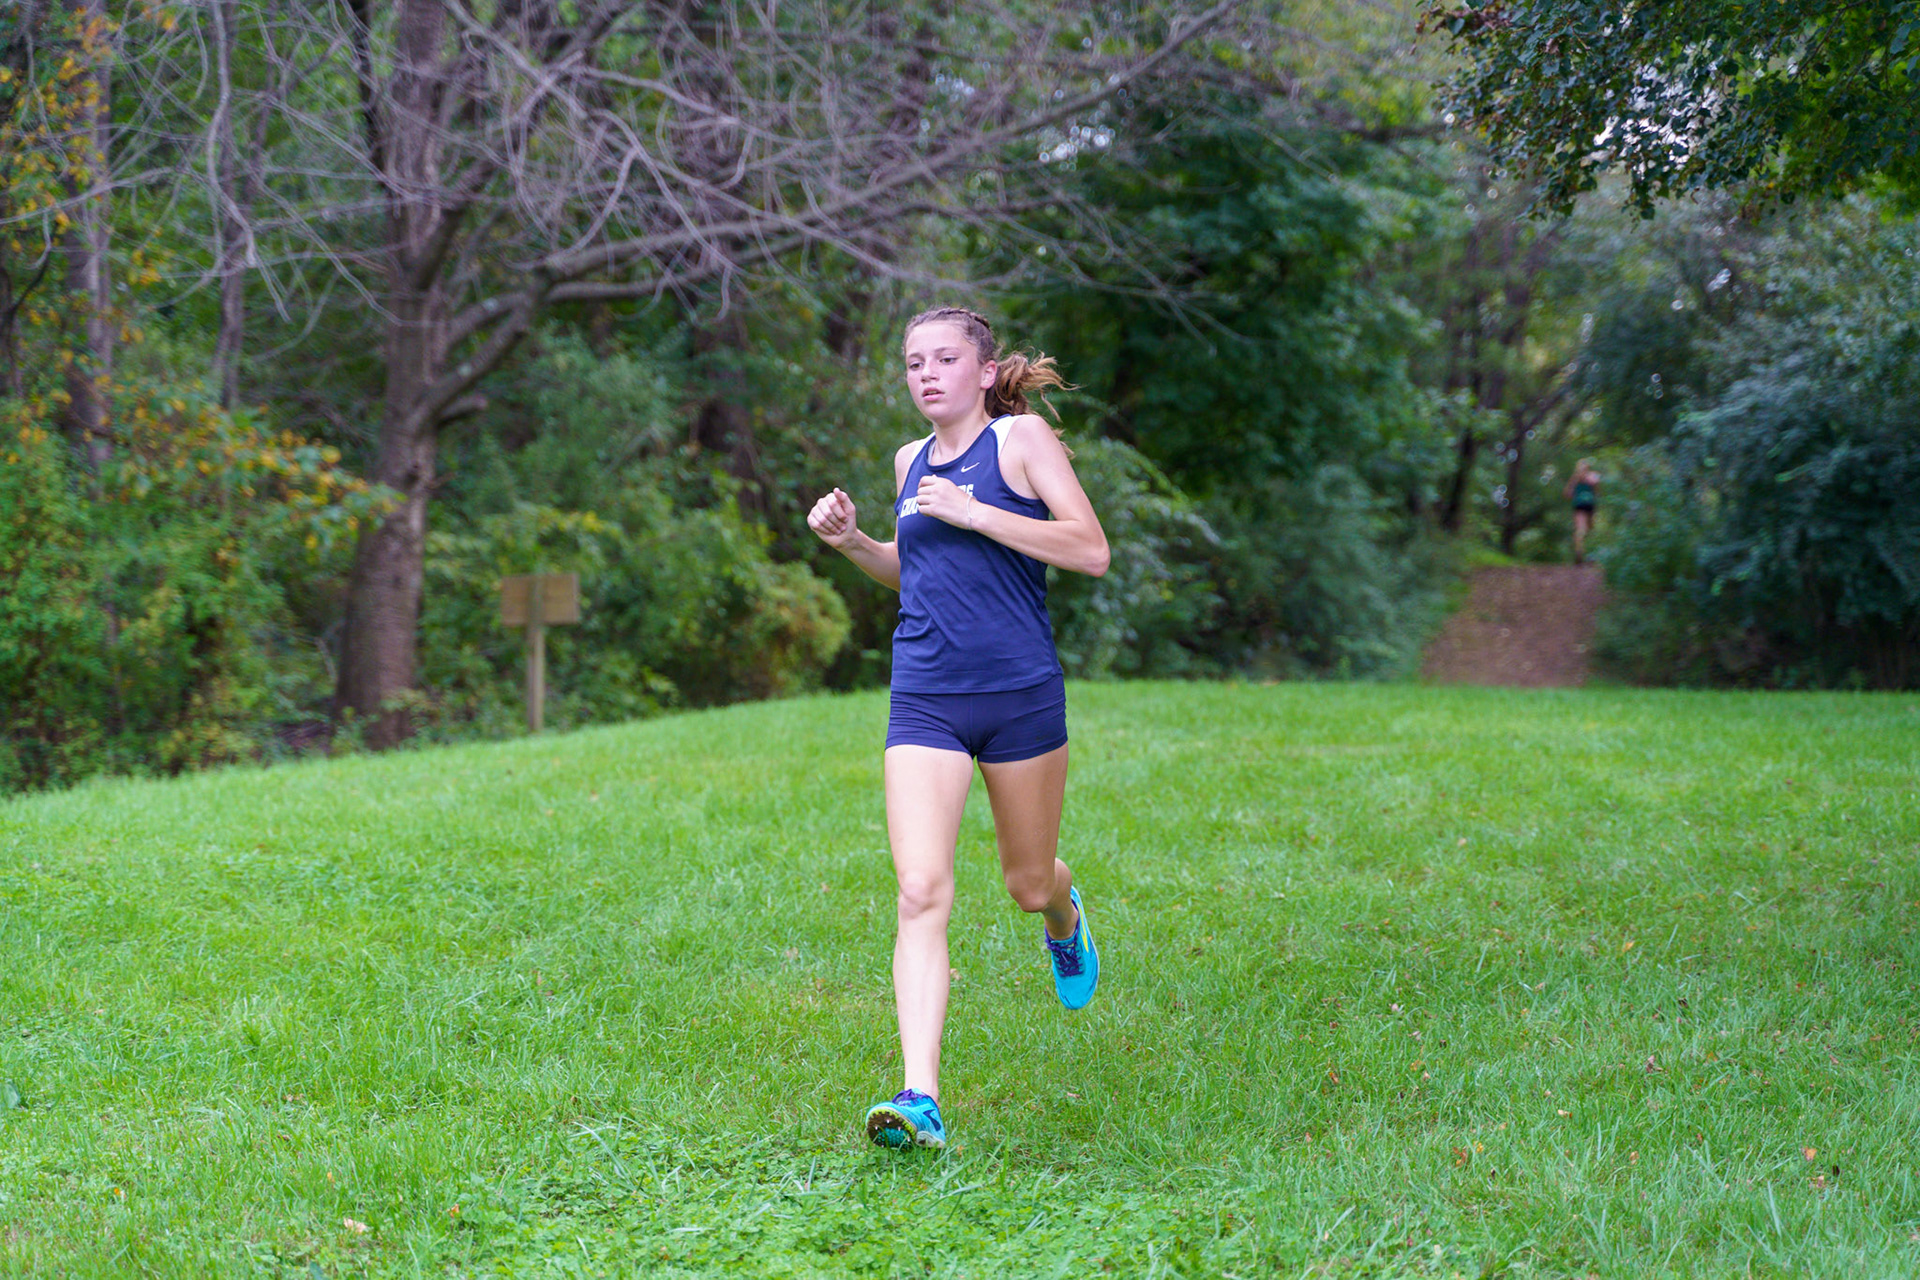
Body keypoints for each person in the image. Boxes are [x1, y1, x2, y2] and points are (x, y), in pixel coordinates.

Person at [806, 306, 1111, 1150]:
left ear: (983, 372)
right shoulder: (909, 462)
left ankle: (1062, 912)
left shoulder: (1019, 443)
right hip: (925, 695)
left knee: (1026, 882)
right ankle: (921, 1097)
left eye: (945, 359)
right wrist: (854, 542)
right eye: (914, 363)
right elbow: (918, 574)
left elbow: (1089, 550)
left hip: (1019, 695)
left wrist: (976, 512)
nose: (928, 374)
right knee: (920, 889)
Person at [1564, 458, 1601, 564]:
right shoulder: (1593, 476)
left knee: (1580, 529)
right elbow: (1597, 491)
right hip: (1590, 504)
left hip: (1579, 505)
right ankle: (1589, 554)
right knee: (1590, 529)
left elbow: (1567, 494)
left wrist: (1576, 492)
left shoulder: (1574, 479)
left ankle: (1579, 550)